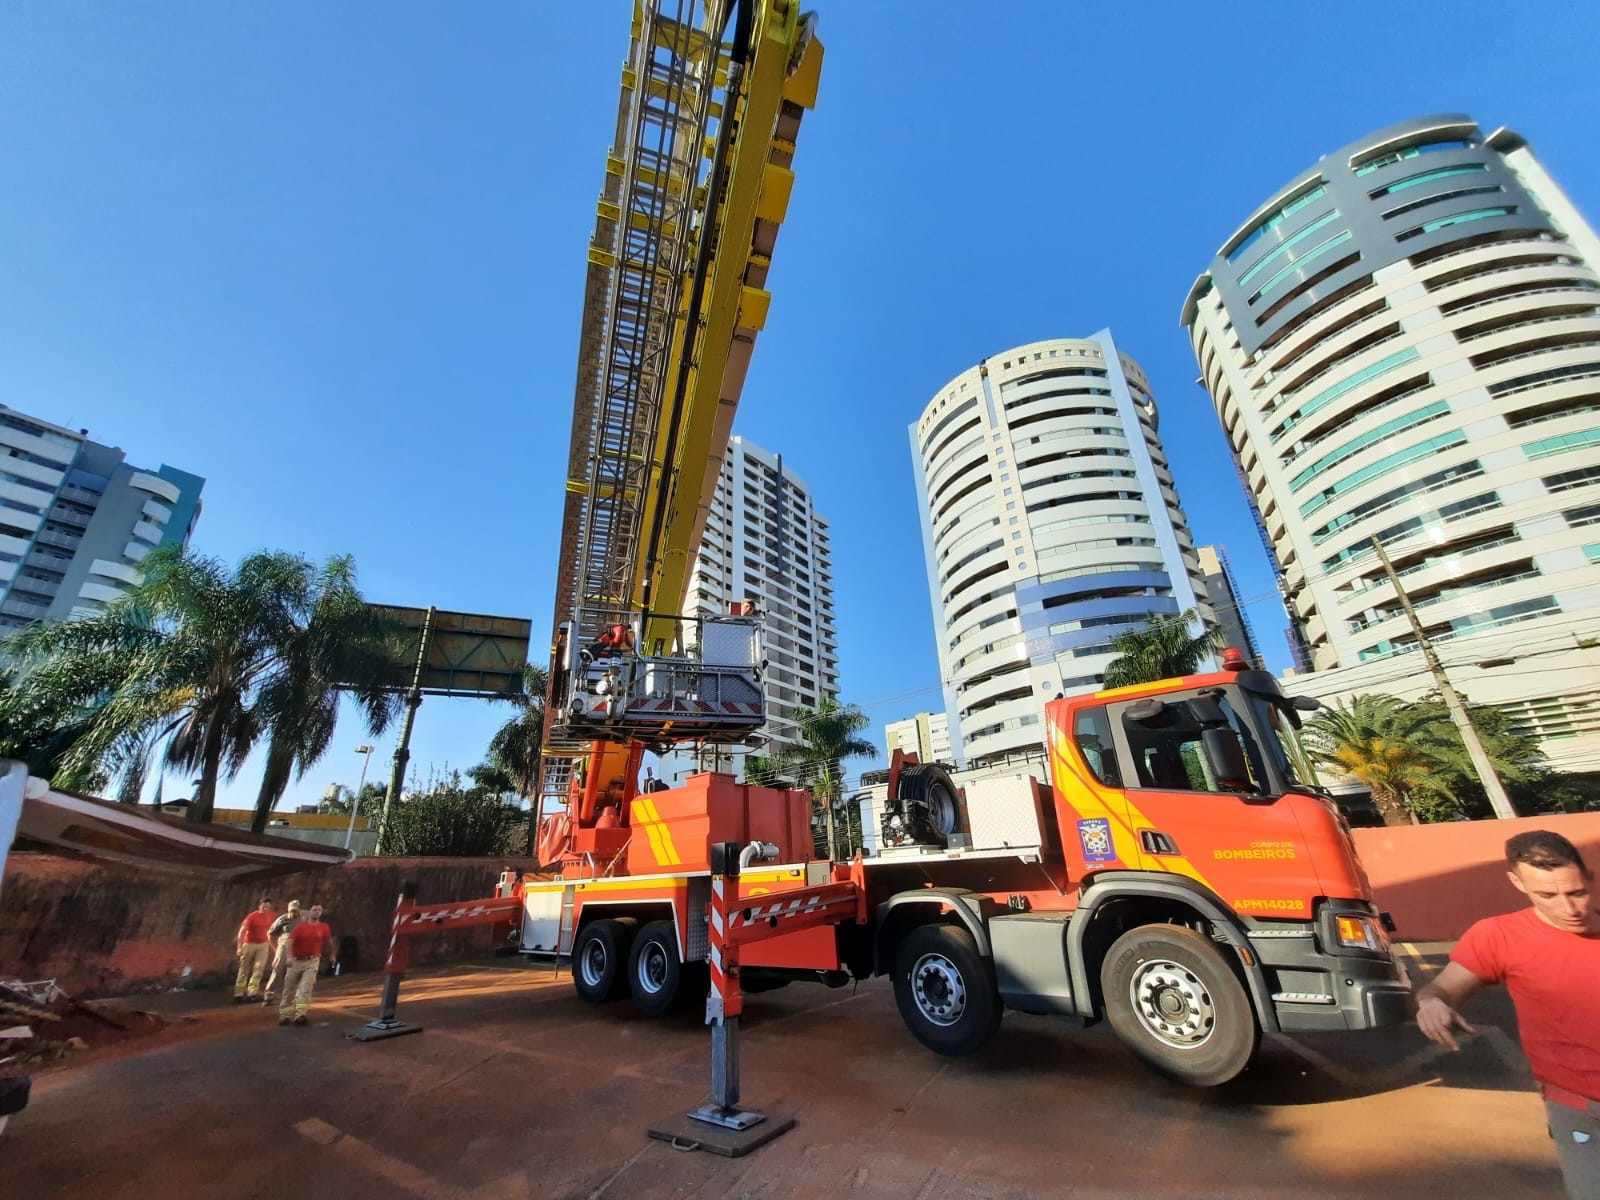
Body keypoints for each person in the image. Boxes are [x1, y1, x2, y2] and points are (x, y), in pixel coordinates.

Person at [1416, 830, 1599, 1199]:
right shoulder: (1498, 936)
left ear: (1589, 878)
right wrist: (1431, 1003)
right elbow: (1440, 989)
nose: (1569, 908)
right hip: (1578, 1108)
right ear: (1517, 882)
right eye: (1547, 895)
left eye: (1577, 892)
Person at [277, 903, 338, 1027]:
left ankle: (300, 1014)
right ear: (309, 912)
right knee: (289, 989)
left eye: (319, 910)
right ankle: (285, 1015)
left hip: (312, 961)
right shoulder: (300, 927)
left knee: (305, 989)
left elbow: (329, 941)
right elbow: (289, 942)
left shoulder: (324, 927)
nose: (317, 912)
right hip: (296, 961)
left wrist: (332, 955)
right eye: (314, 909)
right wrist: (289, 957)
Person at [260, 899, 303, 1006]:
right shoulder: (282, 919)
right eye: (292, 910)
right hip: (283, 945)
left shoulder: (302, 920)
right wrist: (275, 949)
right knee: (277, 970)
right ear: (289, 910)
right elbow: (270, 934)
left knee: (297, 971)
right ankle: (269, 995)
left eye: (296, 911)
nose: (294, 913)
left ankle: (295, 996)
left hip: (297, 947)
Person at [233, 898, 275, 1004]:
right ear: (260, 906)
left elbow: (271, 931)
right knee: (244, 969)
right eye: (264, 906)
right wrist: (239, 946)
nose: (266, 908)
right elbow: (242, 932)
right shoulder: (252, 916)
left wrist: (273, 946)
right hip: (249, 944)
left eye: (268, 907)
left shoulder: (270, 916)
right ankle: (239, 993)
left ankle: (252, 993)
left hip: (263, 944)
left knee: (258, 969)